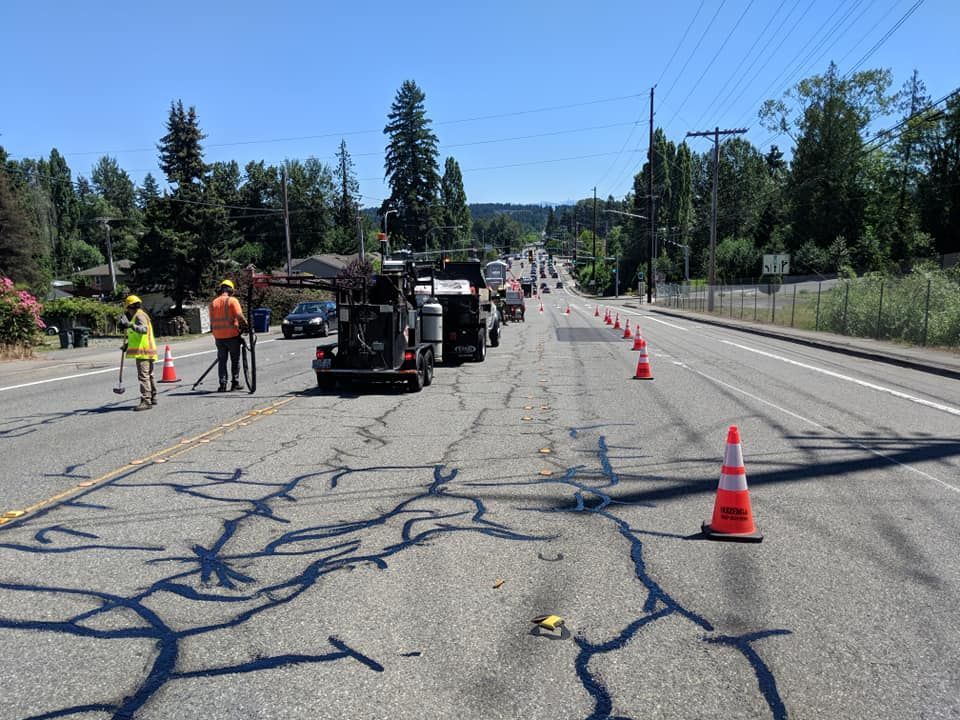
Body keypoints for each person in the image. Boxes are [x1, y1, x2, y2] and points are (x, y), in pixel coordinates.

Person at [119, 295, 157, 411]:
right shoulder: (139, 315)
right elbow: (136, 336)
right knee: (149, 375)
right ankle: (152, 396)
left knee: (143, 376)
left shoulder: (139, 316)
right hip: (147, 350)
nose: (128, 311)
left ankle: (146, 401)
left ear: (130, 307)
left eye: (128, 308)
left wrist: (130, 325)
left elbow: (143, 330)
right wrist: (127, 345)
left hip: (143, 352)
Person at [209, 279, 248, 392]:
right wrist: (246, 326)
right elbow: (239, 316)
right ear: (231, 290)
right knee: (235, 361)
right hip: (232, 335)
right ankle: (234, 383)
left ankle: (222, 385)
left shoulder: (213, 303)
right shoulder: (232, 301)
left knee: (222, 361)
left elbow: (212, 321)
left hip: (219, 337)